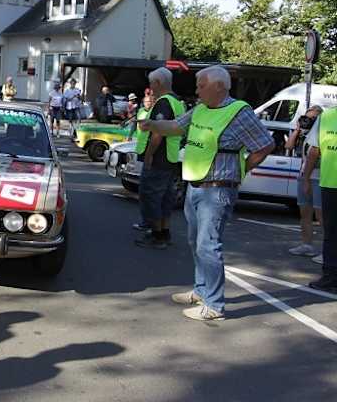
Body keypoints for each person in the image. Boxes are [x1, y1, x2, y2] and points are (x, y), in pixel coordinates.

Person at [139, 66, 274, 320]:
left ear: (220, 87)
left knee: (208, 246)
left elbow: (265, 145)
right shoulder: (200, 109)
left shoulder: (239, 112)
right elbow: (176, 127)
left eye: (201, 85)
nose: (196, 90)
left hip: (218, 190)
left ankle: (214, 305)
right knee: (196, 242)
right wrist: (151, 124)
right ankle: (201, 291)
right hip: (195, 185)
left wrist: (239, 170)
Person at [132, 68, 186, 249]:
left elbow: (158, 132)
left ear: (158, 83)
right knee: (165, 197)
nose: (150, 87)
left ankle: (156, 235)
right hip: (170, 157)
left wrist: (148, 155)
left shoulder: (163, 103)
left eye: (151, 83)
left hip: (159, 158)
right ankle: (164, 232)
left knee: (151, 196)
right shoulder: (177, 102)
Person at [301, 107, 337, 292]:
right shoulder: (327, 117)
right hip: (330, 184)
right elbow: (314, 150)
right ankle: (330, 276)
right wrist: (306, 177)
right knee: (331, 234)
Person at [286, 106, 324, 258]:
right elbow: (288, 146)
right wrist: (297, 130)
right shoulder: (305, 135)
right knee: (305, 214)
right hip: (304, 176)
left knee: (321, 216)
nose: (309, 121)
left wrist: (307, 179)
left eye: (313, 118)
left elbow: (314, 156)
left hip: (318, 177)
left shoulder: (322, 134)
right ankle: (306, 245)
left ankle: (327, 251)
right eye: (307, 117)